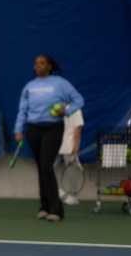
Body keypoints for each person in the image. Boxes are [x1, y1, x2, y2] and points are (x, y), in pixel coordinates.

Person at [14, 54, 84, 222]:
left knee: (46, 166)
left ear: (50, 66)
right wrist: (18, 130)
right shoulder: (29, 86)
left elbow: (79, 100)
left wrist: (66, 111)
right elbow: (22, 110)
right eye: (36, 63)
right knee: (41, 168)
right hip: (33, 129)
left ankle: (56, 209)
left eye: (42, 63)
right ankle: (44, 206)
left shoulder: (60, 83)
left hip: (53, 128)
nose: (38, 66)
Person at [57, 108, 85, 205]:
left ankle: (72, 197)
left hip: (69, 147)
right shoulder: (59, 108)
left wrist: (75, 146)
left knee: (72, 173)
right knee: (49, 170)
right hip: (58, 145)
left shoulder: (75, 110)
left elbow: (78, 129)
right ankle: (61, 194)